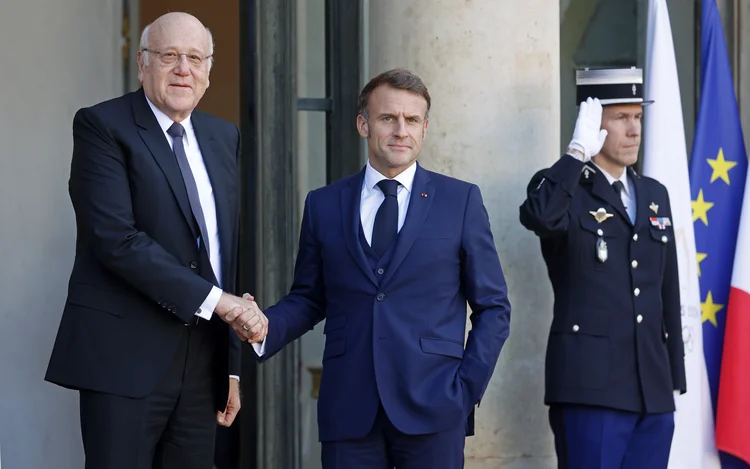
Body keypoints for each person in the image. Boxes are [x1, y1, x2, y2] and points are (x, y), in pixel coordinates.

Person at [229, 68, 511, 469]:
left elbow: (494, 307)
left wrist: (465, 390)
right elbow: (309, 298)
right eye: (387, 118)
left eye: (412, 120)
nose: (401, 131)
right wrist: (264, 327)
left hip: (435, 406)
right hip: (349, 408)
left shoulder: (460, 201)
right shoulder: (323, 204)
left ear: (425, 128)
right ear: (363, 124)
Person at [44, 12, 263, 469]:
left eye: (195, 58)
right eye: (169, 56)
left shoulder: (225, 137)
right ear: (143, 64)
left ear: (208, 71)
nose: (183, 68)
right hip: (123, 358)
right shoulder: (102, 126)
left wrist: (231, 366)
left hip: (203, 367)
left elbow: (224, 251)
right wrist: (221, 302)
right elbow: (115, 239)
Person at [519, 67, 686, 469]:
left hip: (652, 387)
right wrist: (577, 153)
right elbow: (540, 217)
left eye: (638, 117)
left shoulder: (653, 193)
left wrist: (673, 374)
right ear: (594, 123)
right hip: (589, 388)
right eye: (621, 118)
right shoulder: (563, 189)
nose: (634, 130)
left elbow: (668, 289)